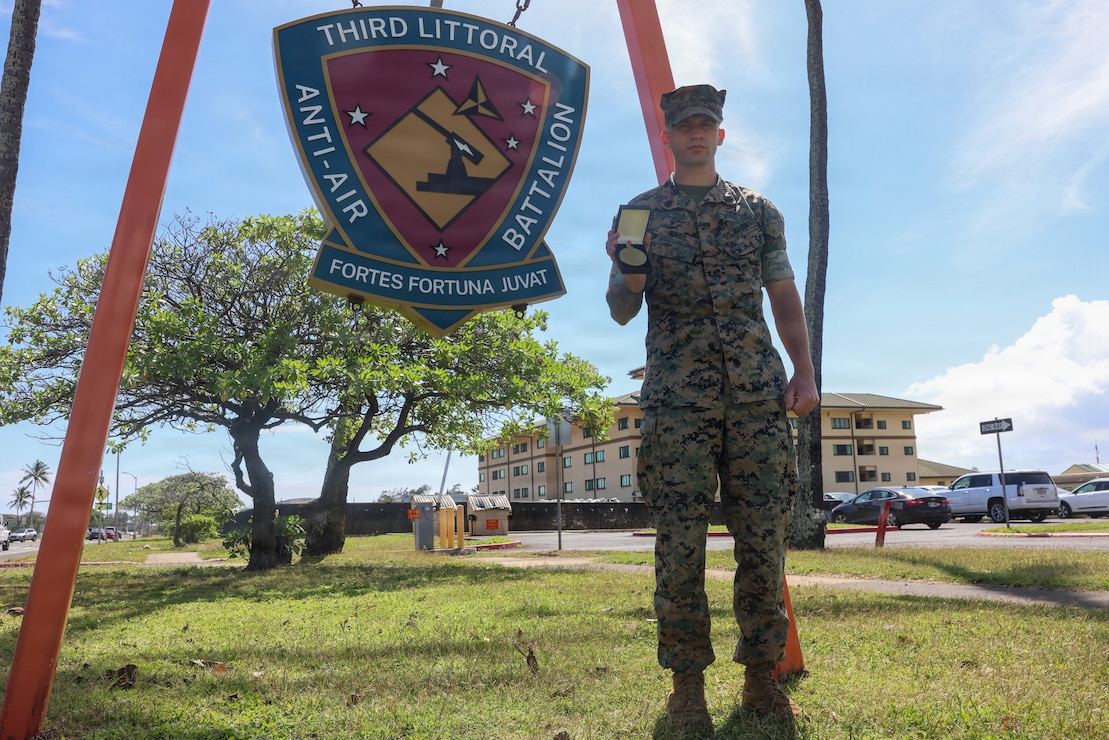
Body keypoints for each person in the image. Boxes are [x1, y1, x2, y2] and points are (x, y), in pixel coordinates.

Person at [605, 84, 819, 732]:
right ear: (667, 136)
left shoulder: (759, 213)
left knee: (762, 544)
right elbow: (619, 307)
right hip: (677, 402)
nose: (696, 134)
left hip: (756, 396)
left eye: (706, 125)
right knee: (679, 547)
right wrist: (628, 270)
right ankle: (686, 687)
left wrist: (804, 369)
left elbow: (782, 296)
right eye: (685, 126)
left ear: (719, 135)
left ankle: (761, 681)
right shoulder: (638, 214)